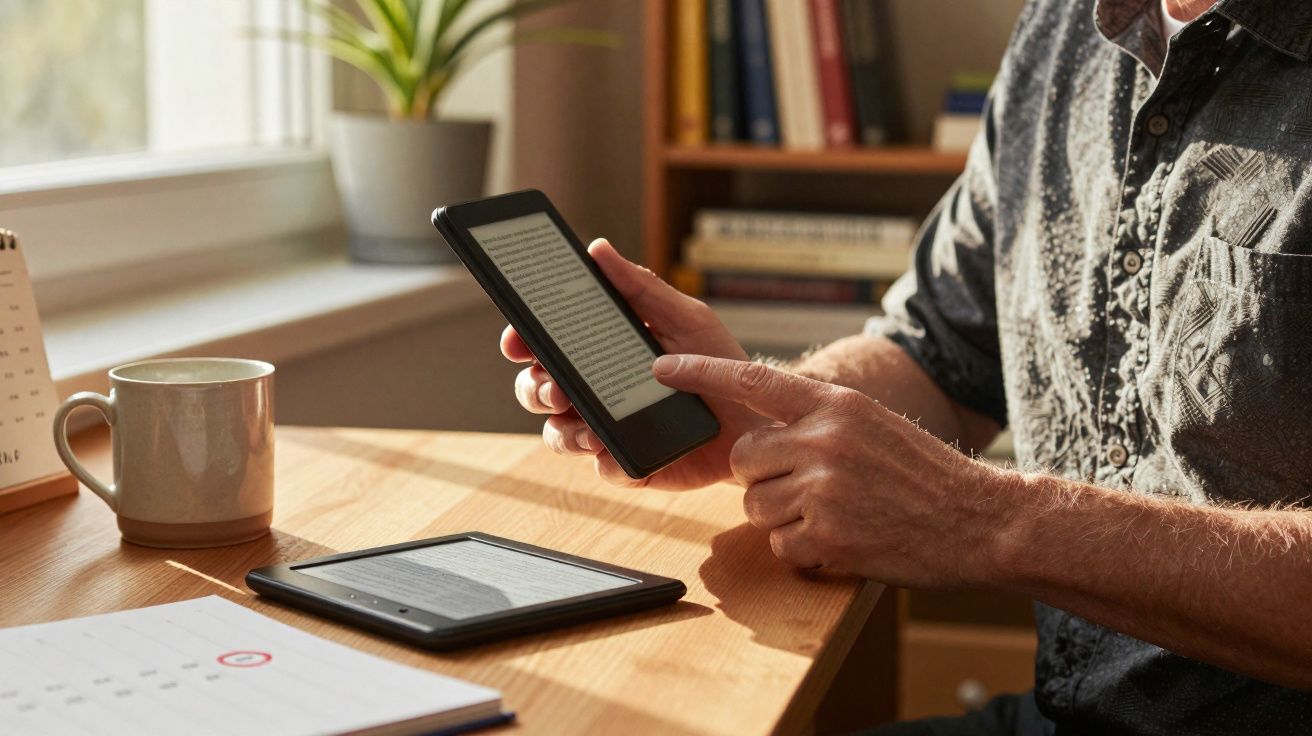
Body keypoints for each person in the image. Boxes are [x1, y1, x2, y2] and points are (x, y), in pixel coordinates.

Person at [502, 0, 1312, 732]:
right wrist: (764, 411)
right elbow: (940, 350)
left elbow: (973, 501)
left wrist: (979, 519)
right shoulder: (1062, 29)